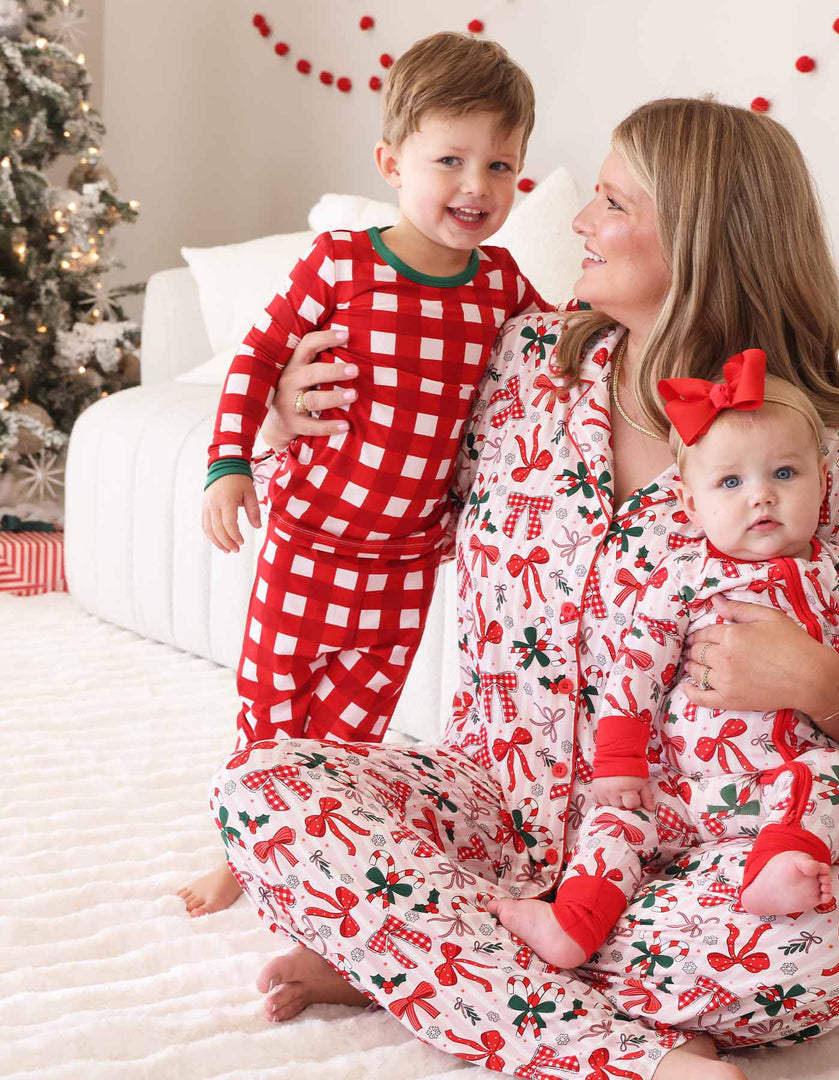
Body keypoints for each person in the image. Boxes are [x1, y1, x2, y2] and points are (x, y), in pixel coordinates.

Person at [210, 97, 839, 1080]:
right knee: (263, 793)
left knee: (834, 937)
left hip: (678, 856)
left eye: (610, 201)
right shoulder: (523, 364)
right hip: (487, 807)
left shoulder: (828, 451)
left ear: (696, 234)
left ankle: (412, 960)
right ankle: (614, 1052)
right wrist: (279, 414)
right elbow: (390, 472)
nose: (577, 223)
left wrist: (828, 689)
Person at [180, 32, 548, 919]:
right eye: (450, 160)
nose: (476, 187)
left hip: (408, 563)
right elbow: (257, 358)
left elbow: (563, 350)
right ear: (391, 161)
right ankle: (242, 847)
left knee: (349, 738)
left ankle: (305, 865)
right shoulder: (340, 262)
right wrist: (229, 461)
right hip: (308, 543)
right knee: (271, 712)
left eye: (501, 166)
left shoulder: (500, 286)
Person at [488, 356, 839, 968]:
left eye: (784, 473)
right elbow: (635, 670)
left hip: (776, 794)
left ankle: (779, 864)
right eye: (730, 483)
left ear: (822, 483)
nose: (762, 497)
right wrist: (620, 762)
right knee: (614, 825)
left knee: (834, 775)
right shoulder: (684, 582)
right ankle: (575, 922)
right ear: (689, 506)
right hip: (675, 788)